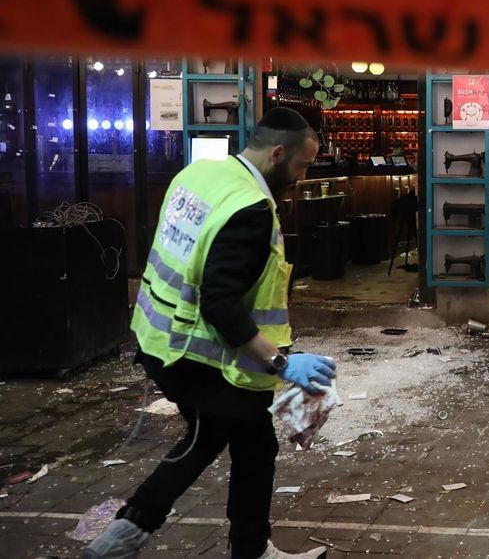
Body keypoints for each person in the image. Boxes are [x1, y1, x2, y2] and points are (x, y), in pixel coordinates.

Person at [84, 108, 335, 559]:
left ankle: (235, 545)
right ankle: (129, 533)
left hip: (158, 337)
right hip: (196, 356)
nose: (302, 176)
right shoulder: (251, 211)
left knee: (245, 442)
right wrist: (281, 363)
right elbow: (218, 303)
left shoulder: (201, 174)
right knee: (219, 440)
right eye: (303, 165)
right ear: (278, 153)